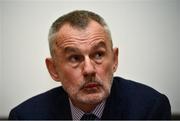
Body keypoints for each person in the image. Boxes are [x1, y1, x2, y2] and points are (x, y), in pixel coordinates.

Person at [9, 10, 171, 120]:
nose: (89, 69)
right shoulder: (26, 116)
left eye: (98, 55)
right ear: (53, 69)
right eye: (74, 58)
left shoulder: (150, 109)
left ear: (114, 60)